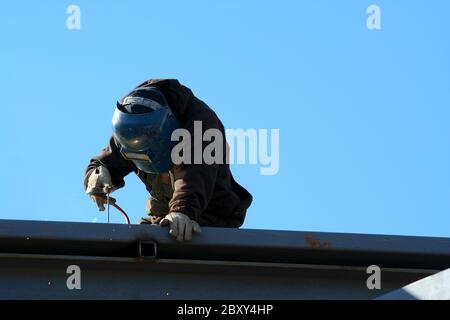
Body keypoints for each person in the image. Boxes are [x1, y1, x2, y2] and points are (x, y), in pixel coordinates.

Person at [84, 79, 252, 242]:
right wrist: (97, 174)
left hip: (211, 217)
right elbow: (107, 159)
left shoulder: (201, 126)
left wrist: (182, 211)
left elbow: (194, 174)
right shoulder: (130, 122)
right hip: (165, 212)